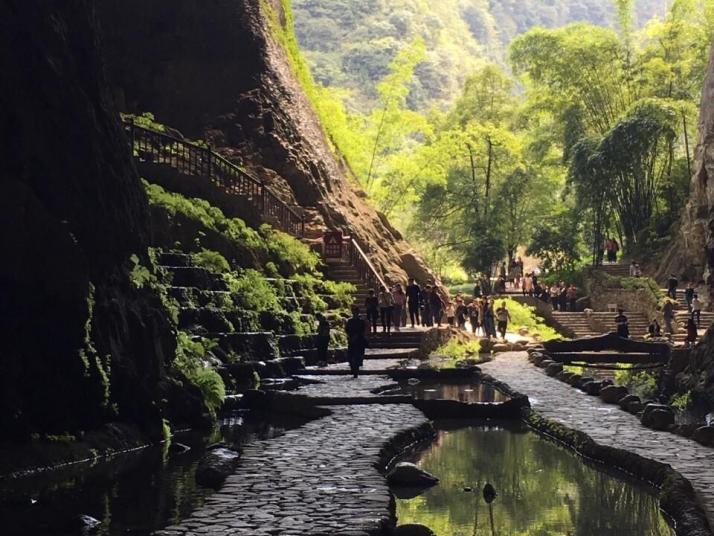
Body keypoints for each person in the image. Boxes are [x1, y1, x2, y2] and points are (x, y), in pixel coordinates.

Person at [345, 307, 367, 378]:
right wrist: (350, 337)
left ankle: (356, 371)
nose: (354, 314)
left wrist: (357, 336)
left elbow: (363, 331)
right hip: (351, 340)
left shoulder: (361, 321)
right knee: (351, 356)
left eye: (355, 312)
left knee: (358, 356)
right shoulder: (350, 321)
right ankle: (353, 369)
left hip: (359, 341)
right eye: (353, 312)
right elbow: (347, 330)